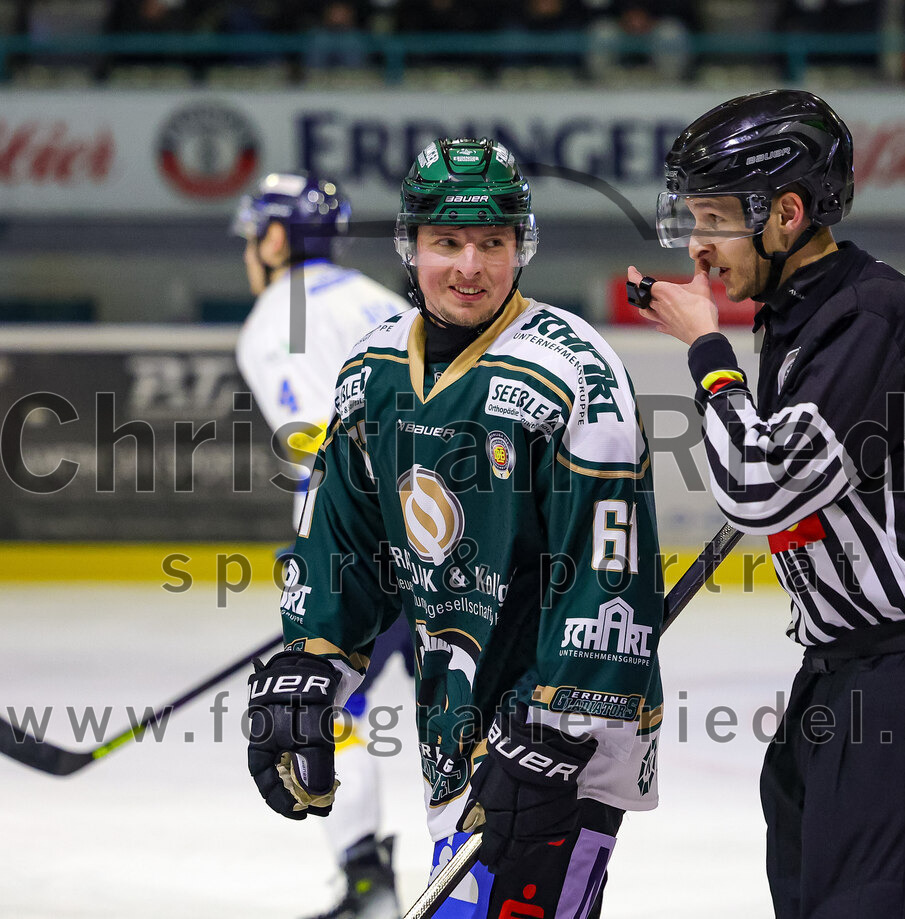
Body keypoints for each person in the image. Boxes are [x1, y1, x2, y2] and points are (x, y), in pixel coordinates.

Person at [245, 138, 664, 919]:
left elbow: (609, 569)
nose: (470, 265)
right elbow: (346, 542)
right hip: (456, 721)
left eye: (493, 242)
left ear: (521, 247)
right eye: (447, 242)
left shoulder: (574, 371)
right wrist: (311, 661)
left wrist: (559, 731)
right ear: (411, 247)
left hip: (560, 740)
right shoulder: (371, 371)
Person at [628, 89, 905, 919]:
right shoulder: (801, 318)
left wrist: (706, 352)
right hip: (840, 680)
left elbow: (761, 490)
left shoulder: (870, 310)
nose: (698, 245)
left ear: (788, 212)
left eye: (715, 218)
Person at [233, 171, 413, 919]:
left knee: (329, 707)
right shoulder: (382, 299)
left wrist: (326, 568)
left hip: (368, 552)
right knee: (468, 714)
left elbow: (322, 451)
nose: (249, 253)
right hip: (458, 540)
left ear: (276, 239)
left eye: (253, 236)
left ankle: (366, 879)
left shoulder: (279, 314)